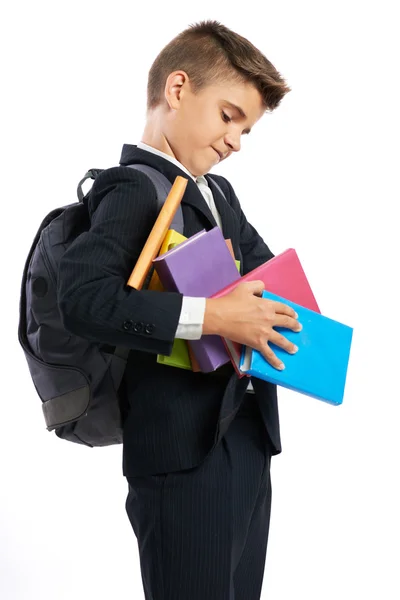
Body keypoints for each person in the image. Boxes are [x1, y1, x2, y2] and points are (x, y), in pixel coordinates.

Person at [57, 19, 302, 600]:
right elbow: (83, 298)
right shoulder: (132, 187)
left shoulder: (219, 196)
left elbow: (267, 284)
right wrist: (214, 317)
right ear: (177, 89)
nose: (236, 141)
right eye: (228, 116)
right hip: (181, 455)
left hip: (245, 439)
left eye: (246, 128)